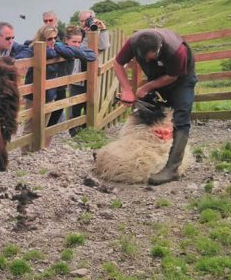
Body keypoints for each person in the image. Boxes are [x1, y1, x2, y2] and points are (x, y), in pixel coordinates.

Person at [111, 28, 199, 186]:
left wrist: (147, 87)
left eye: (152, 57)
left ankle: (172, 169)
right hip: (157, 76)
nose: (148, 61)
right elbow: (117, 63)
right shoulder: (133, 42)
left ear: (159, 48)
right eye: (145, 59)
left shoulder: (177, 50)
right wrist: (126, 89)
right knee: (147, 110)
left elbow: (173, 76)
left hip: (181, 79)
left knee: (181, 117)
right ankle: (126, 156)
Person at [64, 24, 98, 135]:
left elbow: (93, 55)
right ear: (66, 40)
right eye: (74, 42)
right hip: (75, 83)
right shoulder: (63, 49)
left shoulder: (83, 48)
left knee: (88, 107)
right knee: (75, 108)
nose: (77, 45)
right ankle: (73, 133)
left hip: (87, 82)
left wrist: (74, 50)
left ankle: (85, 131)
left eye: (79, 42)